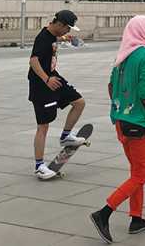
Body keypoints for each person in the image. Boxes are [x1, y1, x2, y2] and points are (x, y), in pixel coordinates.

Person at [90, 15, 145, 243]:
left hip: (121, 121)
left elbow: (111, 87)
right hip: (139, 123)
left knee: (136, 172)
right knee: (142, 173)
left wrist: (121, 108)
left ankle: (136, 218)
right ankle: (104, 213)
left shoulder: (123, 55)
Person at [28, 10, 86, 180]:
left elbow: (54, 41)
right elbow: (33, 60)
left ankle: (66, 136)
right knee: (43, 126)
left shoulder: (53, 35)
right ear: (59, 24)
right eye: (67, 29)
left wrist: (64, 39)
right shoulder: (43, 38)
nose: (68, 32)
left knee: (79, 102)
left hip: (55, 78)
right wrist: (46, 79)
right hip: (42, 85)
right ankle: (39, 166)